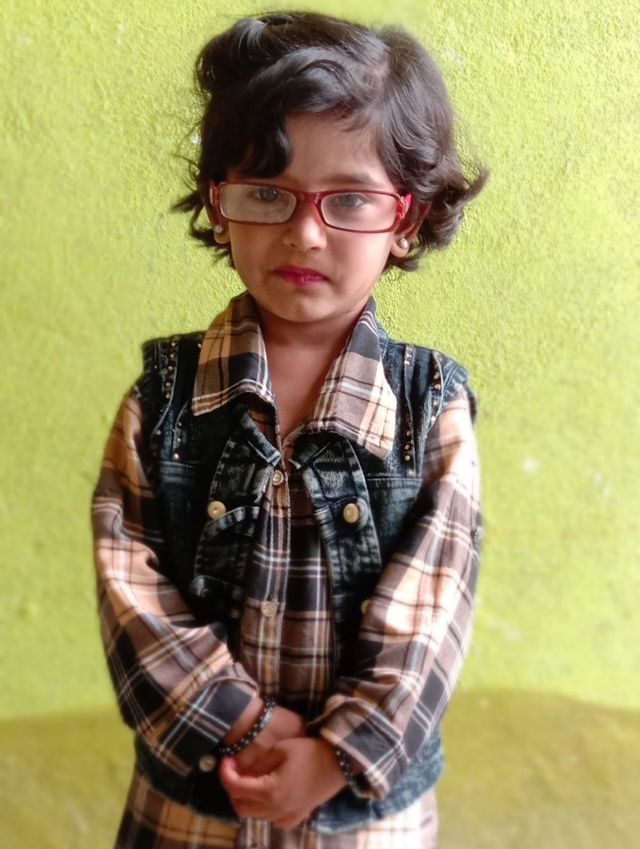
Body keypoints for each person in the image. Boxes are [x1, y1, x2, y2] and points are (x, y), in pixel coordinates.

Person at [91, 10, 487, 849]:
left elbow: (432, 609)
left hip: (362, 815)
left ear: (405, 218)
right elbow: (131, 588)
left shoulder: (429, 408)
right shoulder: (162, 401)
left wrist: (336, 754)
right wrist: (246, 723)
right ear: (219, 203)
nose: (305, 231)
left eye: (350, 198)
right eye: (268, 192)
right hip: (194, 809)